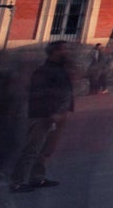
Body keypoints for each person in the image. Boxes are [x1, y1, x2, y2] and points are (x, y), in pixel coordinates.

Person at [11, 41, 74, 192]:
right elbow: (39, 94)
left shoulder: (60, 69)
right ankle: (16, 182)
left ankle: (37, 177)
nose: (67, 52)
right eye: (64, 50)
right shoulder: (44, 71)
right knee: (32, 149)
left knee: (46, 149)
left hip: (58, 114)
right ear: (55, 52)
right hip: (44, 115)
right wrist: (51, 113)